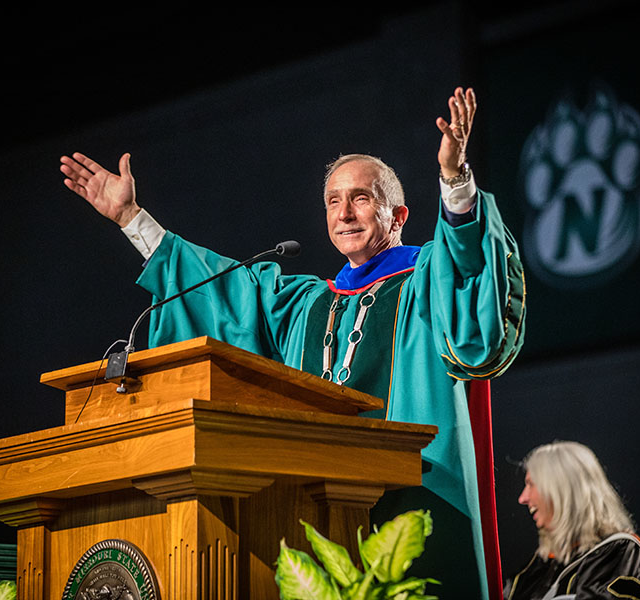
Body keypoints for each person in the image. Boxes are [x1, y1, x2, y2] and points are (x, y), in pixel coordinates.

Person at [61, 86, 526, 597]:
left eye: (361, 198)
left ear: (398, 217)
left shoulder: (428, 279)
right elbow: (219, 289)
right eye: (333, 201)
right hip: (314, 509)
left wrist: (456, 179)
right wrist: (133, 219)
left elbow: (470, 261)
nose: (344, 213)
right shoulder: (305, 306)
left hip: (415, 500)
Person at [505, 441, 640, 599]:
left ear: (562, 492)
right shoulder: (537, 568)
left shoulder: (621, 554)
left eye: (531, 484)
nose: (523, 498)